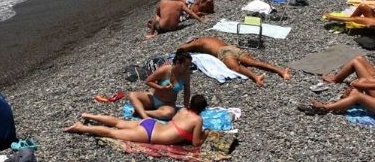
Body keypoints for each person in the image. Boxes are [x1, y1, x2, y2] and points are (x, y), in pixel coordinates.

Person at [64, 94, 209, 147]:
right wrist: (205, 135)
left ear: (190, 104)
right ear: (202, 109)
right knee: (112, 133)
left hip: (151, 124)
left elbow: (179, 125)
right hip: (150, 134)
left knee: (118, 123)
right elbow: (196, 142)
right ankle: (81, 127)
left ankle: (88, 115)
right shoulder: (197, 120)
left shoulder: (182, 111)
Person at [303, 49, 375, 119]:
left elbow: (374, 85)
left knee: (357, 95)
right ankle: (340, 102)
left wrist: (355, 83)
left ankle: (326, 107)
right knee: (358, 87)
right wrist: (359, 83)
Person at [178, 36, 291, 87]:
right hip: (232, 48)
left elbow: (181, 48)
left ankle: (256, 77)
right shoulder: (209, 38)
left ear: (193, 39)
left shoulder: (198, 41)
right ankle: (281, 71)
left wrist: (188, 46)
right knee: (254, 62)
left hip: (223, 52)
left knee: (235, 68)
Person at [128, 51, 193, 120]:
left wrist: (186, 108)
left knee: (169, 113)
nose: (188, 68)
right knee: (132, 95)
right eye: (186, 65)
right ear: (177, 63)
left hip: (167, 103)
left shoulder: (186, 75)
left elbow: (187, 91)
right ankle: (146, 118)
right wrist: (161, 88)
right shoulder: (165, 70)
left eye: (189, 65)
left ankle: (143, 112)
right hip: (153, 98)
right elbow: (148, 81)